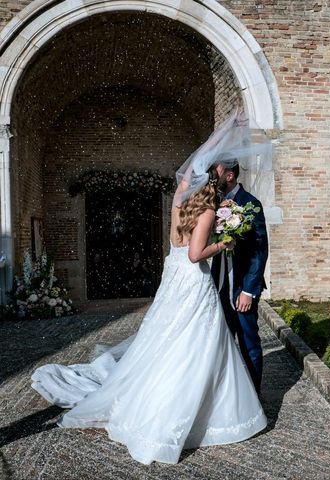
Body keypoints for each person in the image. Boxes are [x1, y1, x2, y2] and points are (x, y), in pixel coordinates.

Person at [30, 113, 269, 465]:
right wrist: (224, 244)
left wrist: (220, 137)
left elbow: (187, 178)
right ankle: (202, 408)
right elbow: (194, 255)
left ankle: (178, 396)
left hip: (173, 286)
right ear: (210, 181)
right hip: (194, 282)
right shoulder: (206, 213)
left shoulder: (178, 205)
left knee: (168, 341)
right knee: (198, 345)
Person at [211, 159, 269, 395]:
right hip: (219, 286)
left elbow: (259, 250)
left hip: (242, 287)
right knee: (221, 344)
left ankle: (254, 397)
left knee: (248, 344)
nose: (214, 178)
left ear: (230, 176)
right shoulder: (213, 204)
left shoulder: (250, 204)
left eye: (217, 173)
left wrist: (248, 290)